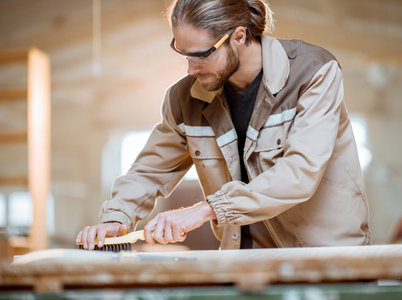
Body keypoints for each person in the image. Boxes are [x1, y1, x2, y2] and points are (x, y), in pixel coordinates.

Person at [76, 0, 371, 250]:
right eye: (183, 53)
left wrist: (206, 210)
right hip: (243, 266)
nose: (190, 69)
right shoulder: (185, 98)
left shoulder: (314, 74)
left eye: (201, 55)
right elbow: (150, 170)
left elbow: (300, 173)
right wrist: (117, 216)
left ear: (239, 36)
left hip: (327, 261)